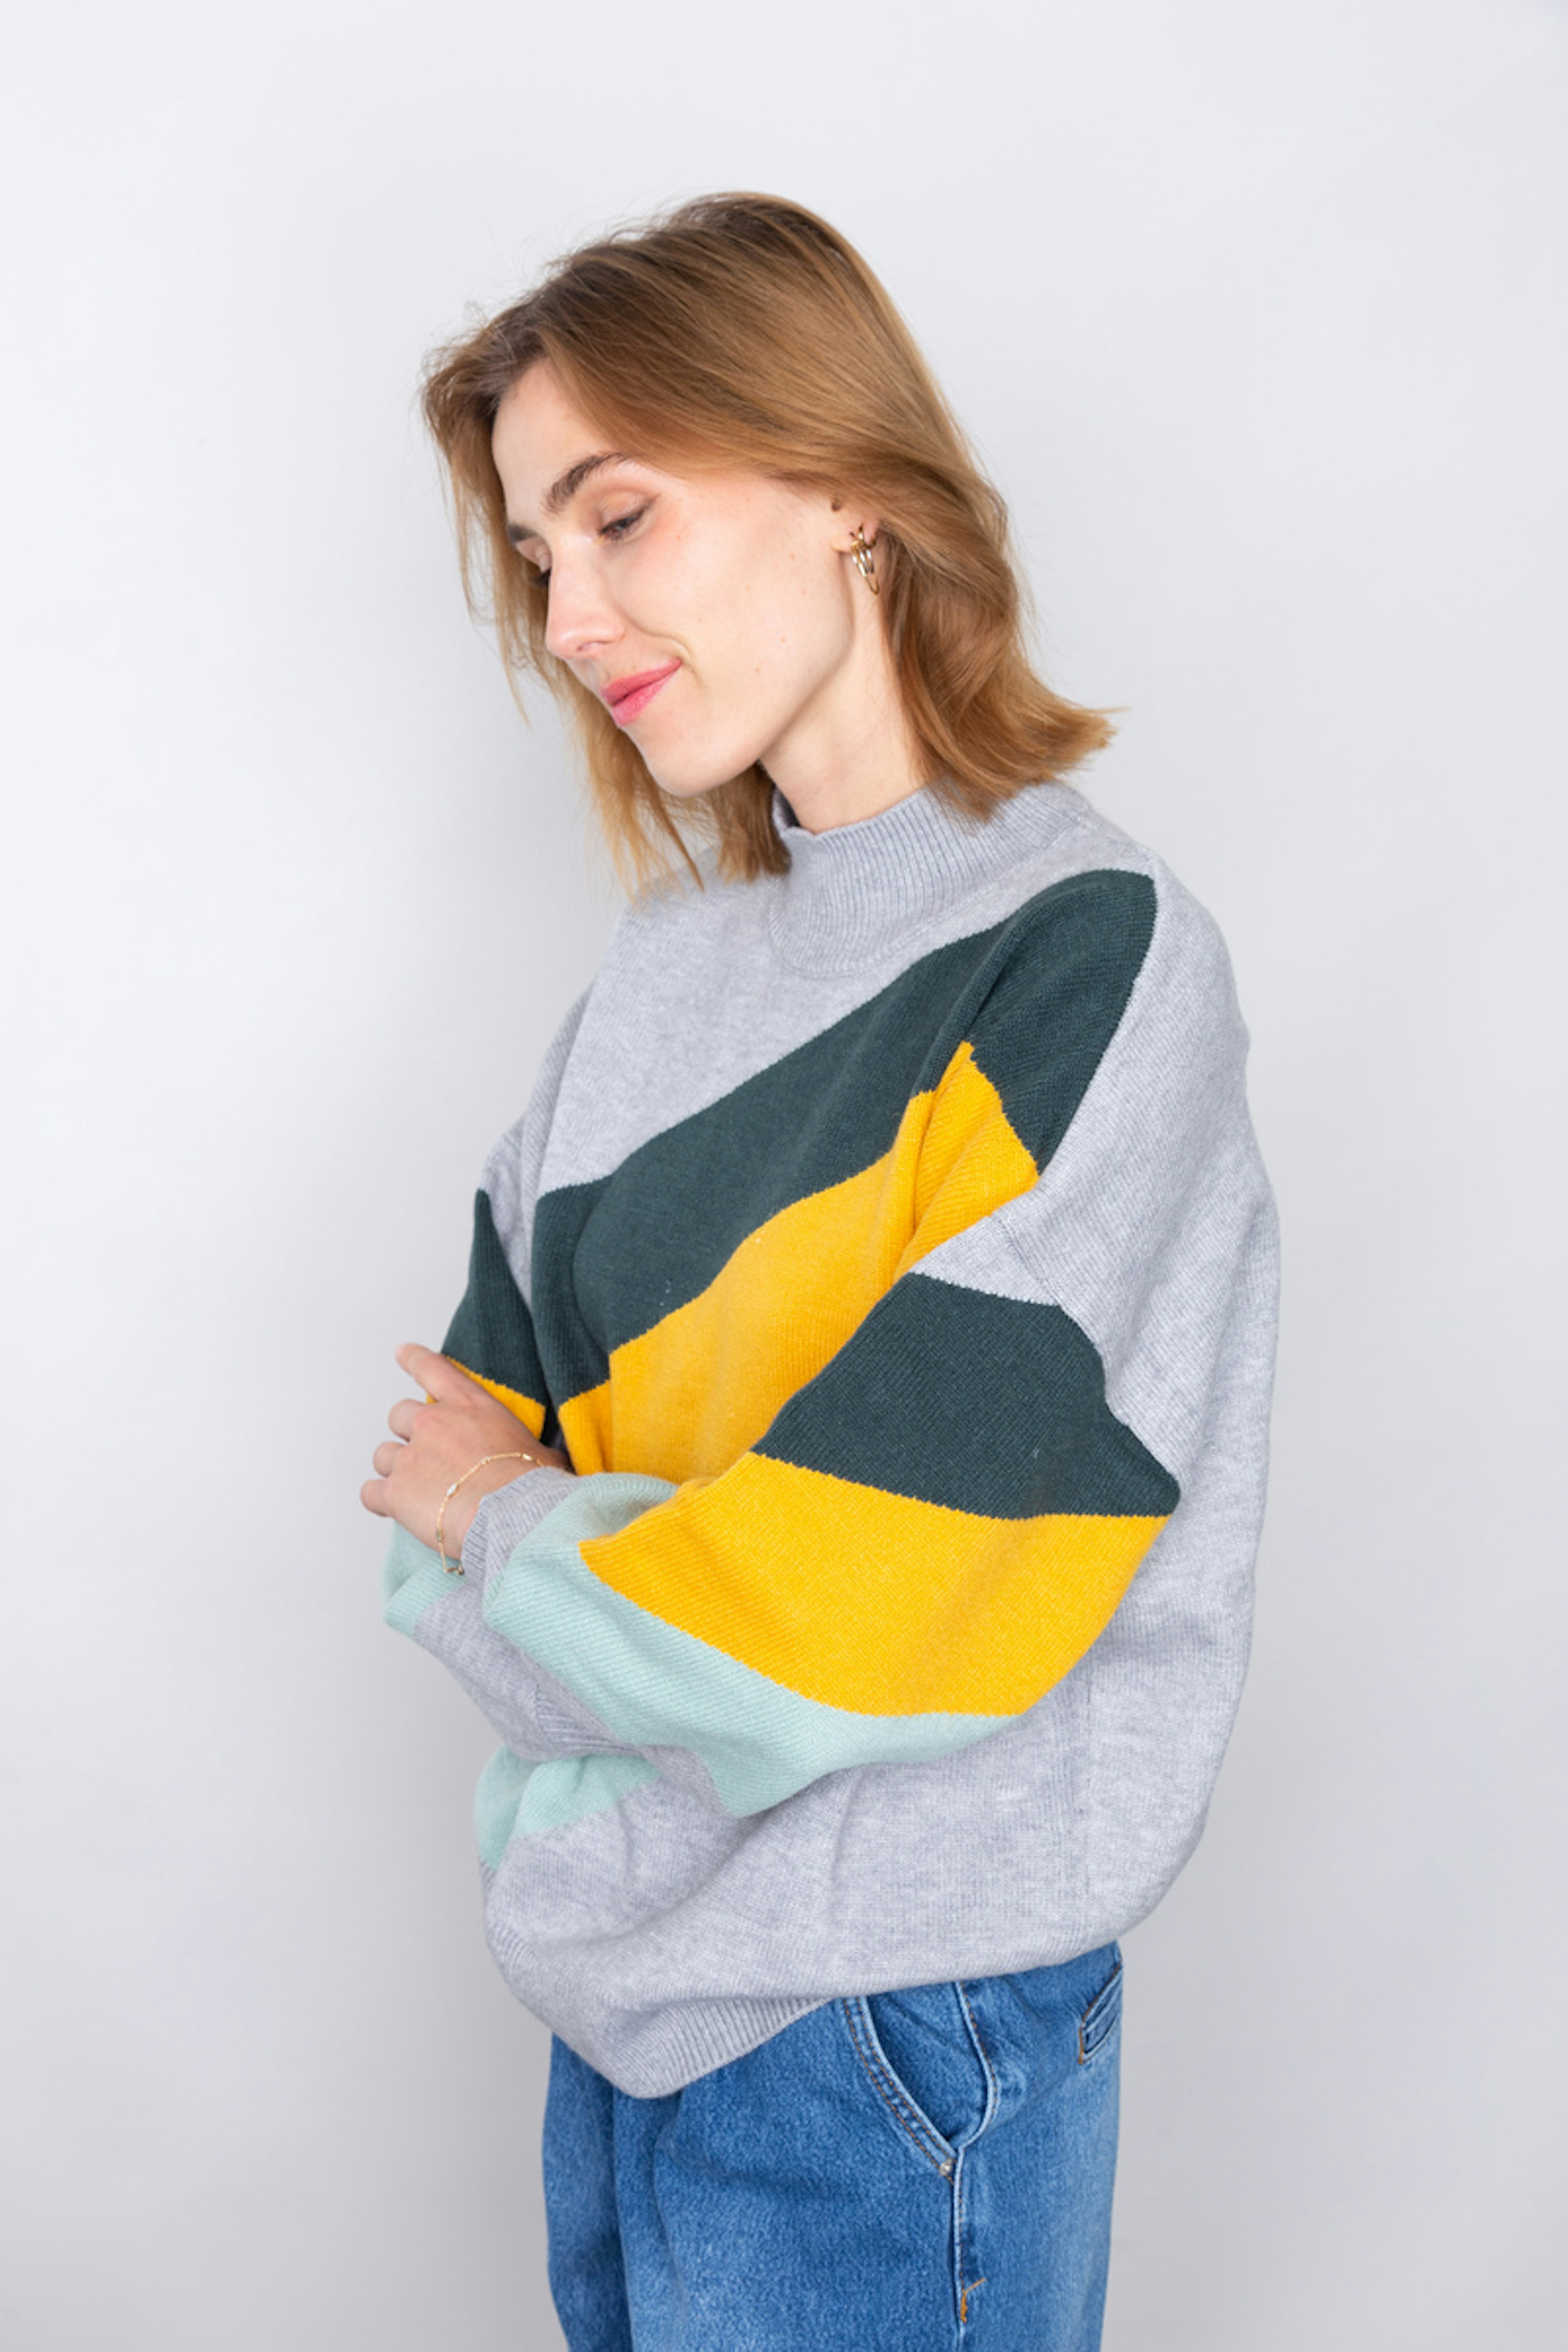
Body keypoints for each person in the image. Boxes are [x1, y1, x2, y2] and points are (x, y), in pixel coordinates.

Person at [361, 192, 1278, 2352]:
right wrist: (577, 1557)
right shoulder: (652, 988)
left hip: (892, 2038)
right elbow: (424, 1519)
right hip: (615, 2030)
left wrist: (528, 1529)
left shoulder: (1086, 960)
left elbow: (867, 1604)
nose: (569, 617)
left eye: (620, 520)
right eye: (538, 556)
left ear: (849, 488)